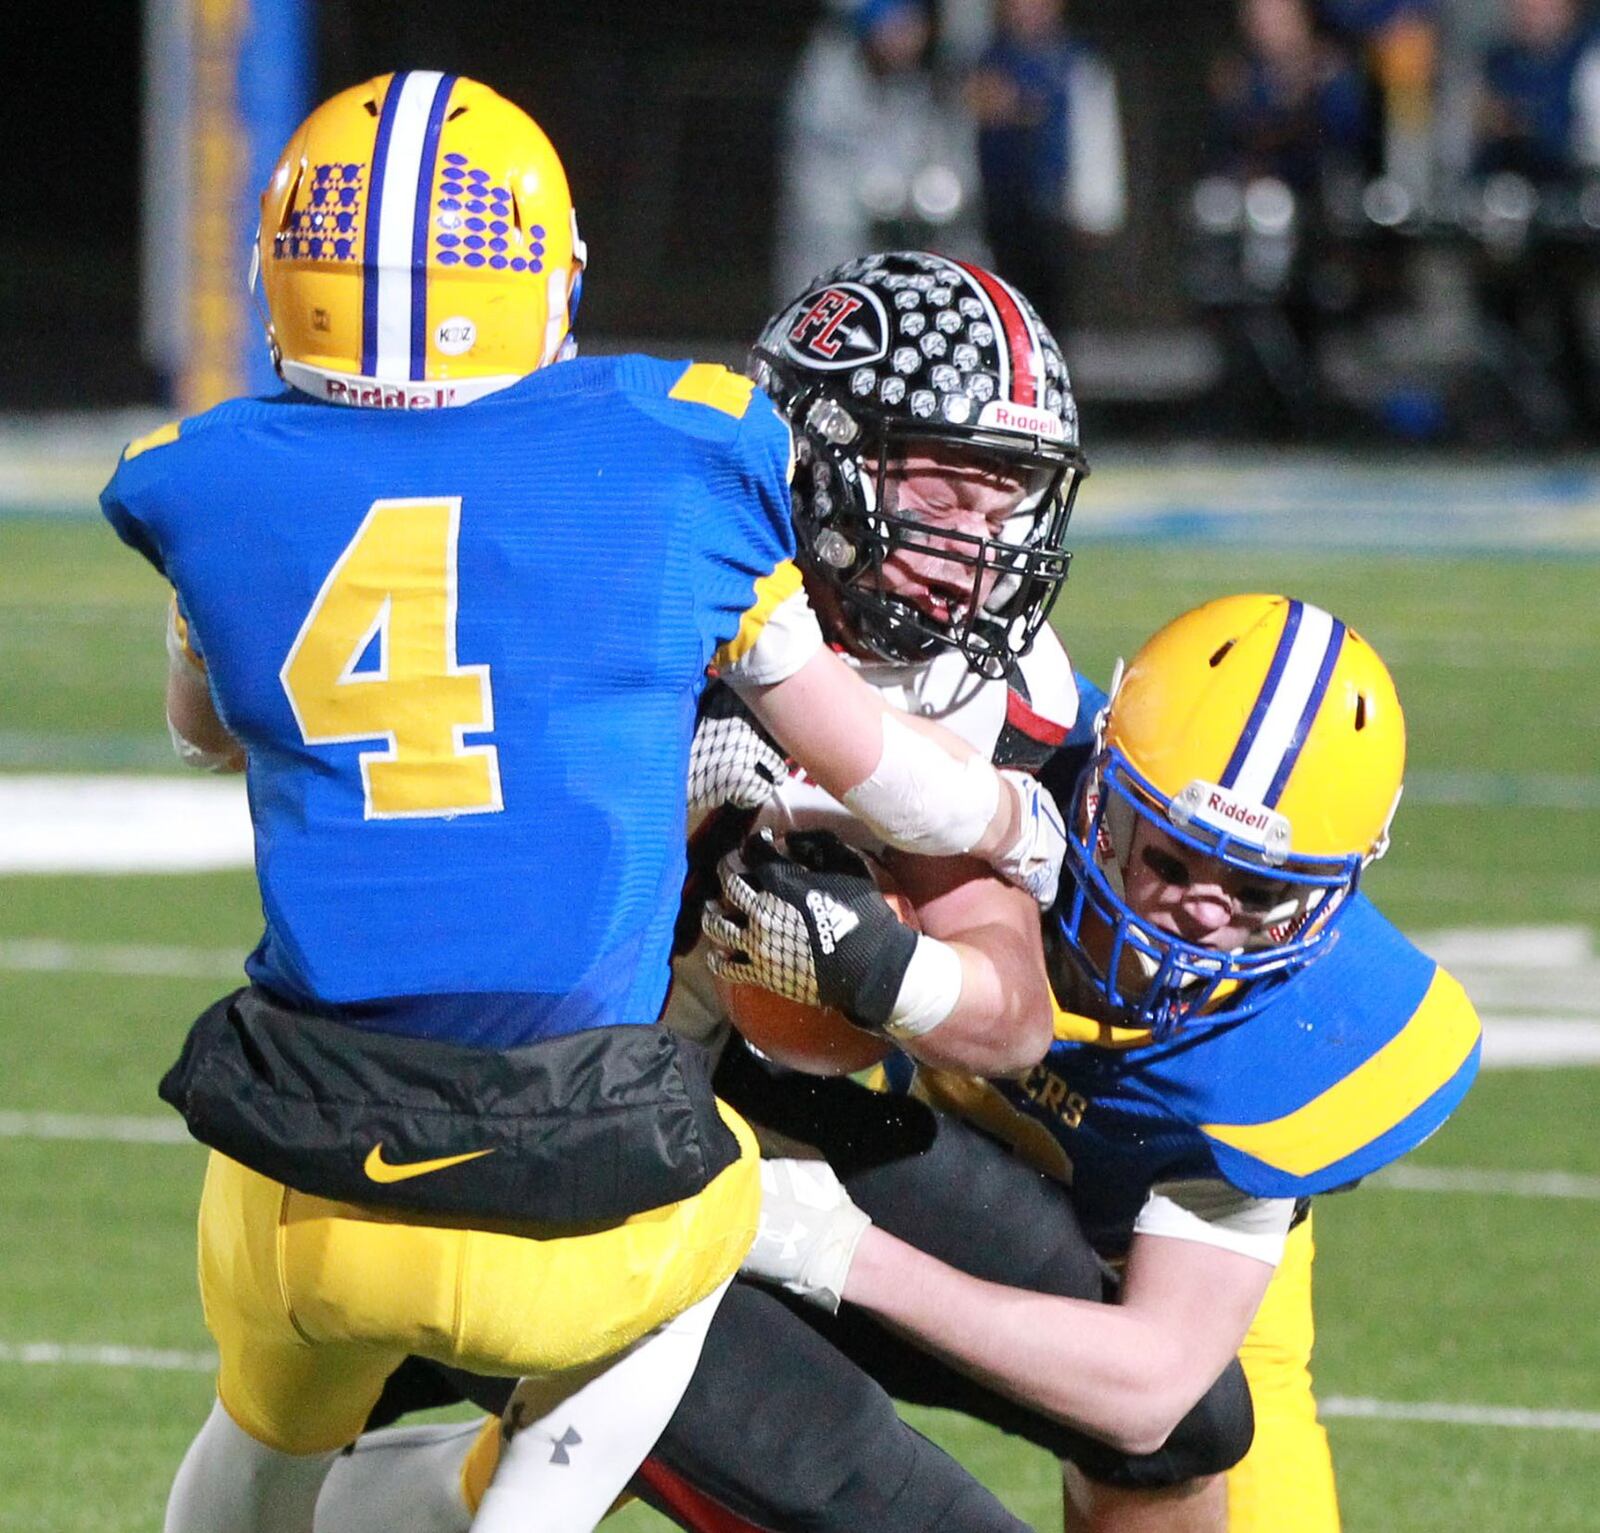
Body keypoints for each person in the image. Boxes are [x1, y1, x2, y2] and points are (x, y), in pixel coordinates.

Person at [100, 79, 1073, 1533]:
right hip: (582, 1150)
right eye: (945, 488)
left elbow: (209, 730)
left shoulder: (212, 480)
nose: (972, 540)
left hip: (303, 1142)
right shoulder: (665, 461)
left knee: (258, 1443)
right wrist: (1005, 825)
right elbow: (872, 762)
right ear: (547, 278)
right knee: (723, 1191)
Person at [312, 246, 1091, 1531]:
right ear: (825, 455)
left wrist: (885, 971)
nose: (981, 548)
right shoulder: (632, 581)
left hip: (745, 1110)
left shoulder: (970, 673)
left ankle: (419, 1488)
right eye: (951, 489)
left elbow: (1008, 1013)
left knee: (1173, 1406)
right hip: (523, 1113)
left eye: (1009, 503)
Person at [775, 0, 989, 303]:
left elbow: (935, 159)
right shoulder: (830, 81)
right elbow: (827, 172)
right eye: (896, 28)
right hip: (835, 233)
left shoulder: (913, 88)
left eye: (912, 28)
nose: (907, 39)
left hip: (898, 226)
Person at [962, 0, 1126, 338]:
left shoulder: (1077, 62)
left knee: (1050, 319)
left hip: (1053, 214)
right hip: (995, 213)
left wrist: (1096, 207)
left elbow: (1095, 135)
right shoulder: (985, 61)